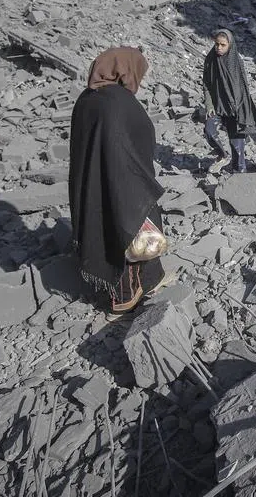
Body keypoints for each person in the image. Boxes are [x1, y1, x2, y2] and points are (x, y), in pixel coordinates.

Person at [69, 47, 166, 317]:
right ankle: (124, 299)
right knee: (129, 230)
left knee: (104, 229)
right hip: (123, 180)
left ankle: (132, 288)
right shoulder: (119, 101)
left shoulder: (87, 99)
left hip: (92, 182)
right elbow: (141, 135)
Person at [201, 29, 256, 174]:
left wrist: (241, 111)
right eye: (217, 44)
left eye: (223, 45)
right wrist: (209, 105)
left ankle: (239, 173)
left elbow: (242, 89)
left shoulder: (236, 62)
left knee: (237, 145)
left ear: (230, 45)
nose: (219, 48)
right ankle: (222, 154)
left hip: (235, 108)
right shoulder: (211, 59)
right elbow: (207, 84)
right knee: (209, 131)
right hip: (217, 106)